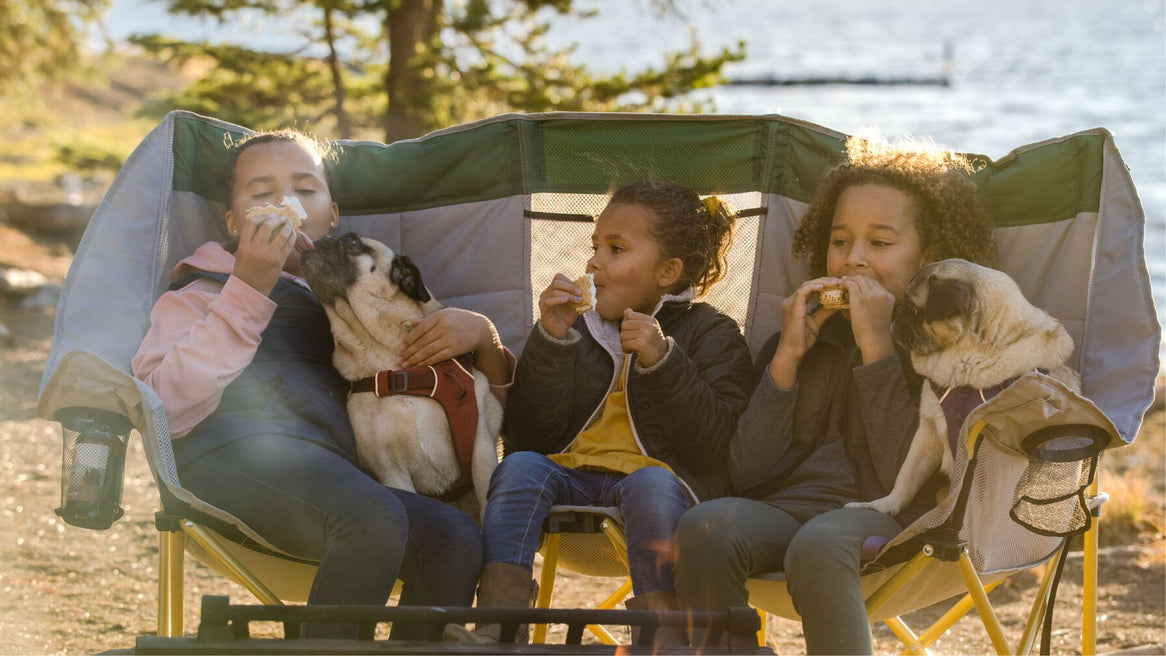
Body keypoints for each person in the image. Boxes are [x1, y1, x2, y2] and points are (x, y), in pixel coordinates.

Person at [131, 129, 514, 640]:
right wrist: (246, 287)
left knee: (454, 537)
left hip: (335, 475)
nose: (285, 202)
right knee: (372, 515)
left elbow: (466, 398)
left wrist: (484, 338)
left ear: (332, 216)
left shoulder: (365, 301)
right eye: (261, 193)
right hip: (227, 458)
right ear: (232, 221)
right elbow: (167, 407)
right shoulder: (202, 291)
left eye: (304, 189)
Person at [673, 136, 997, 655]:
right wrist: (788, 359)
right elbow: (746, 472)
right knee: (706, 524)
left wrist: (877, 348)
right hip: (787, 510)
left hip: (889, 521)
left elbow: (903, 482)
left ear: (930, 259)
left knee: (820, 543)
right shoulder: (801, 340)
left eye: (881, 243)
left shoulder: (945, 356)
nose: (854, 261)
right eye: (840, 242)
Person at [444, 180, 754, 646]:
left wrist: (663, 362)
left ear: (667, 272)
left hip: (663, 486)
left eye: (615, 249)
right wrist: (551, 343)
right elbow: (531, 434)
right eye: (594, 247)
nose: (593, 262)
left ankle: (662, 635)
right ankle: (499, 627)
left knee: (650, 482)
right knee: (521, 466)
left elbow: (716, 448)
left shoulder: (712, 333)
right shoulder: (579, 328)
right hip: (574, 476)